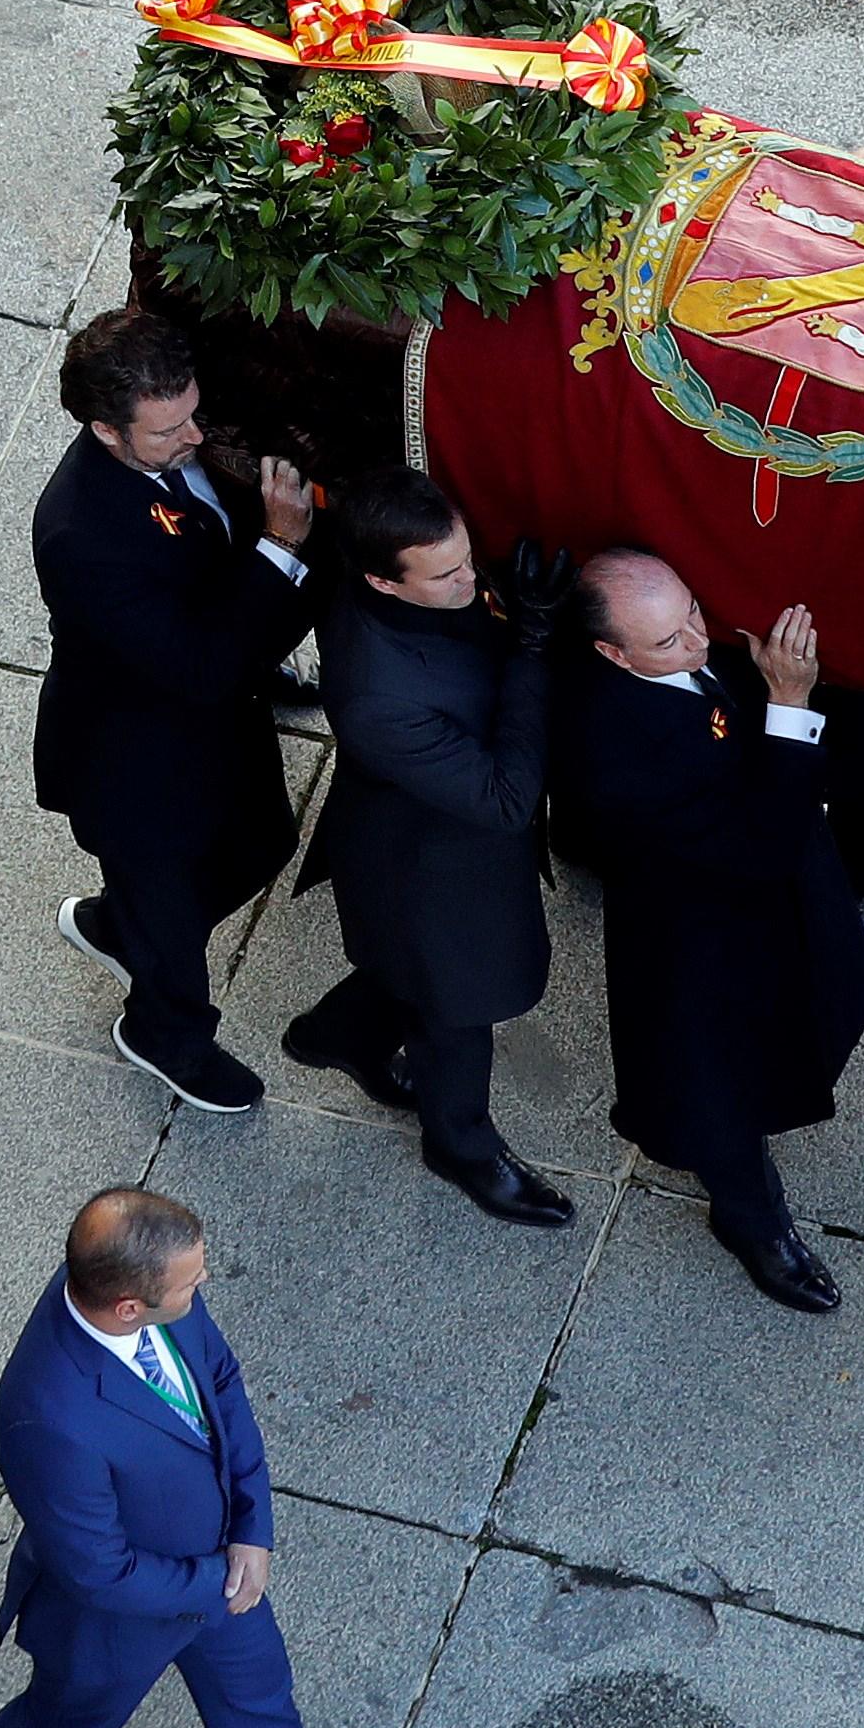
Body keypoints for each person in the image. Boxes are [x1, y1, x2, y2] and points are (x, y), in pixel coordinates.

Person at [0, 1191, 429, 1728]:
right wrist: (218, 1582)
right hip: (115, 1621)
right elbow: (98, 1572)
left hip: (220, 1572)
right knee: (67, 1725)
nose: (204, 1288)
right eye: (192, 1282)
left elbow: (221, 1387)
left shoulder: (155, 1293)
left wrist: (252, 1528)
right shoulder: (49, 1415)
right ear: (129, 1306)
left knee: (261, 1702)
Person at [557, 551, 864, 1313]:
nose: (699, 643)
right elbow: (760, 846)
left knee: (826, 1004)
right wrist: (790, 701)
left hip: (772, 894)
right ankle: (751, 1218)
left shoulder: (698, 655)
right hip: (697, 936)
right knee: (716, 1087)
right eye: (668, 642)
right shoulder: (615, 749)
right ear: (612, 652)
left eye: (693, 613)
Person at [35, 310, 319, 1113]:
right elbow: (194, 667)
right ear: (106, 431)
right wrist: (281, 548)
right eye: (168, 430)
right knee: (173, 931)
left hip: (212, 707)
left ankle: (118, 927)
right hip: (130, 758)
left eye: (192, 411)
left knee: (264, 841)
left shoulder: (173, 437)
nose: (194, 435)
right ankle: (163, 1032)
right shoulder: (82, 535)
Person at [284, 468, 576, 1230]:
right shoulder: (382, 697)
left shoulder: (399, 584)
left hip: (413, 830)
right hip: (427, 868)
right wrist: (534, 649)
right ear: (383, 580)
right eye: (446, 573)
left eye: (465, 557)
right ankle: (461, 1145)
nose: (467, 579)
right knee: (457, 1008)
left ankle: (339, 1034)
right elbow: (506, 800)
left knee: (405, 974)